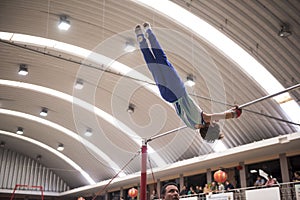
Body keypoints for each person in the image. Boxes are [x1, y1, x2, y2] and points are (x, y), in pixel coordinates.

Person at [135, 22, 242, 142]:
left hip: (178, 91)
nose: (214, 122)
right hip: (168, 97)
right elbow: (215, 119)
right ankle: (140, 39)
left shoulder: (204, 119)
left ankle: (149, 32)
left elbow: (222, 116)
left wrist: (235, 113)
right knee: (153, 67)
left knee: (162, 60)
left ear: (210, 126)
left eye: (214, 124)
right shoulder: (193, 126)